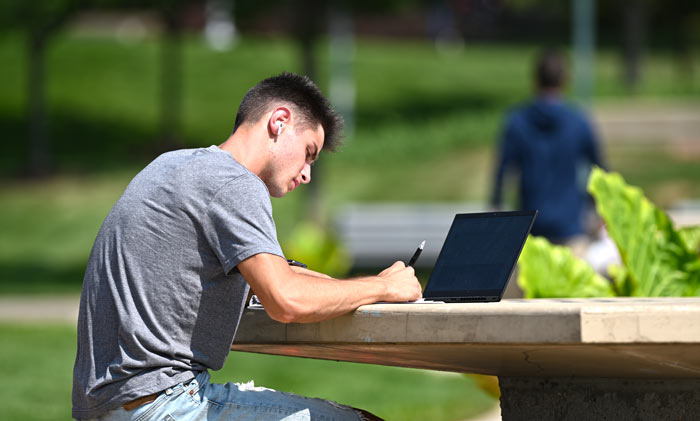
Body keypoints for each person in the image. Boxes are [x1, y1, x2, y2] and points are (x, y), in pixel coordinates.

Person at [72, 72, 421, 421]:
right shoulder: (235, 183)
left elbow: (275, 277)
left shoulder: (172, 166)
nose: (306, 174)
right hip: (164, 404)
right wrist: (385, 286)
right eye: (308, 154)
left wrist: (359, 286)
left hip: (111, 405)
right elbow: (287, 300)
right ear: (279, 122)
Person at [491, 49, 606, 246]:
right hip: (570, 228)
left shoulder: (517, 122)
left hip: (530, 230)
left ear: (535, 79)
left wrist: (496, 207)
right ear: (565, 79)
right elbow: (600, 171)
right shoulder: (578, 122)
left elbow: (502, 172)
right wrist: (597, 208)